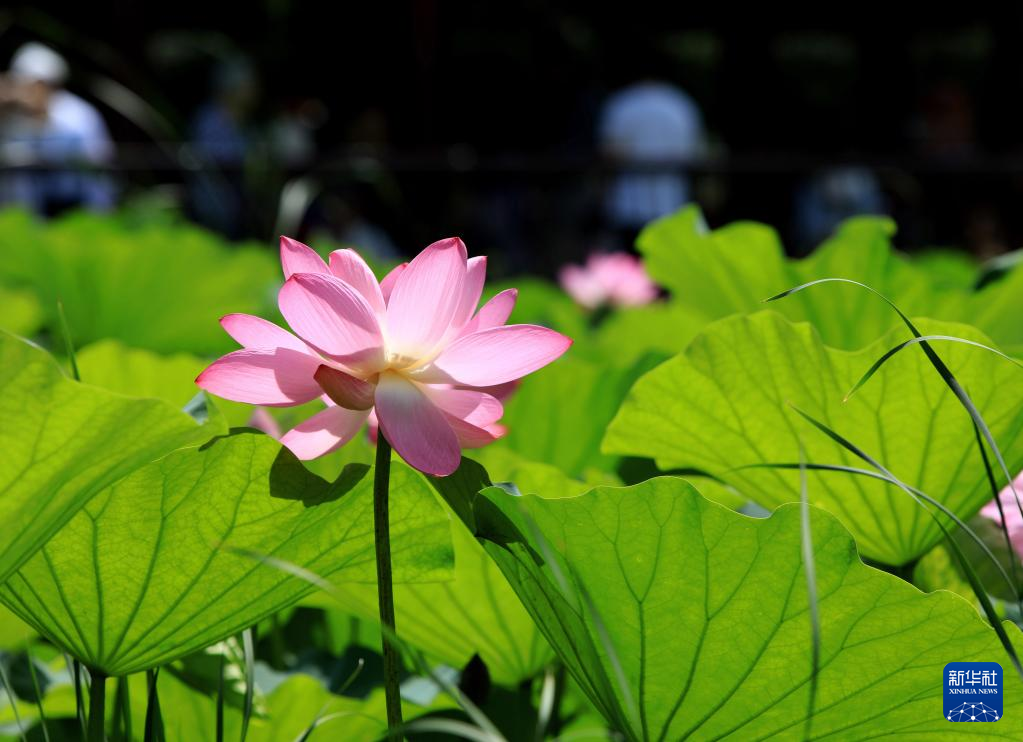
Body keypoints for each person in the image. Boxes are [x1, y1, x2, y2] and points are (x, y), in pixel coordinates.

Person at [0, 42, 115, 215]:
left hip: (80, 199)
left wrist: (41, 117)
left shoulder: (75, 112)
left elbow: (87, 156)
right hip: (41, 197)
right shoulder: (18, 113)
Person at [598, 80, 705, 243]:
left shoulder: (623, 103)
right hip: (672, 205)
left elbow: (611, 154)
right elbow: (694, 153)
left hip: (629, 206)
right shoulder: (682, 103)